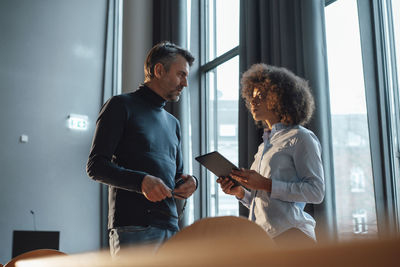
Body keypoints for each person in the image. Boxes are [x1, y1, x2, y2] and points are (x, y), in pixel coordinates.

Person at [86, 41, 197, 256]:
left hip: (171, 228)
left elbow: (175, 176)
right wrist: (142, 181)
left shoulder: (173, 123)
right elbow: (96, 166)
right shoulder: (120, 105)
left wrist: (191, 183)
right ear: (158, 70)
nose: (185, 83)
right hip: (133, 227)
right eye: (180, 74)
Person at [217, 63, 325, 247]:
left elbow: (316, 192)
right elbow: (266, 203)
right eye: (251, 96)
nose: (253, 101)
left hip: (293, 236)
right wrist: (241, 193)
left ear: (280, 99)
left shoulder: (301, 137)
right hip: (265, 239)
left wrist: (265, 184)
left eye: (260, 96)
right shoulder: (264, 146)